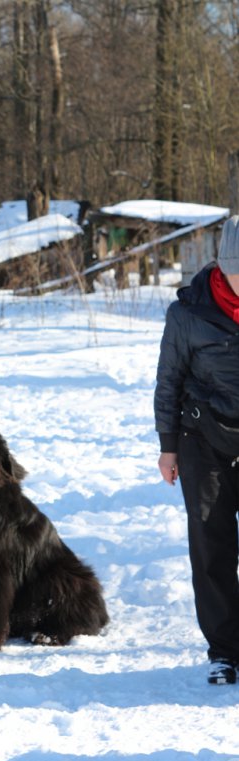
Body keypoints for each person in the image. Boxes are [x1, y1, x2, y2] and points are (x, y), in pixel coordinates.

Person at [155, 215, 239, 685]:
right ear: (222, 267)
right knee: (212, 547)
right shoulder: (188, 312)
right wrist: (168, 447)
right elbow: (169, 382)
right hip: (202, 441)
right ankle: (225, 650)